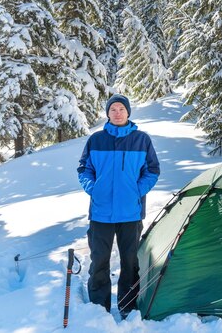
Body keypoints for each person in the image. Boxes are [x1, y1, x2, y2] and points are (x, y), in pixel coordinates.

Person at [77, 94, 160, 318]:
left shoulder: (142, 140)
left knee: (130, 262)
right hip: (101, 213)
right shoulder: (96, 140)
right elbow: (84, 170)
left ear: (128, 112)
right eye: (112, 109)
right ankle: (98, 307)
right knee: (99, 261)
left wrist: (137, 191)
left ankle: (128, 306)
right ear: (107, 113)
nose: (117, 112)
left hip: (131, 213)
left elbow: (152, 171)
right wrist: (94, 189)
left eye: (121, 109)